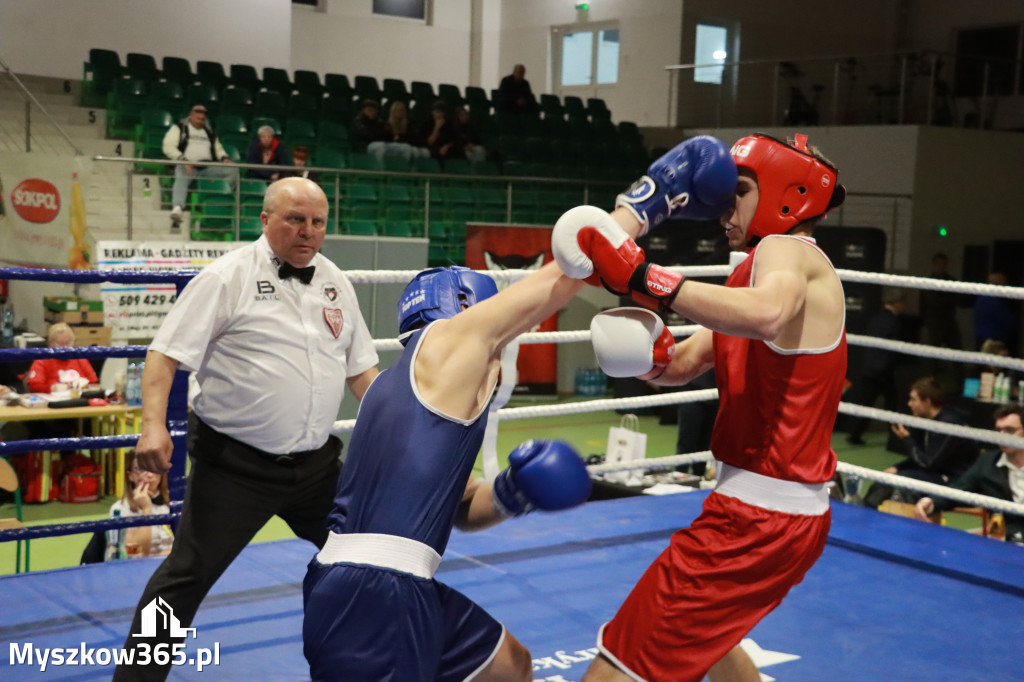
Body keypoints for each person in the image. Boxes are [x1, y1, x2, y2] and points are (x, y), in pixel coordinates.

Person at [303, 135, 737, 681]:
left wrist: (514, 491)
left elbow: (460, 508)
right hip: (373, 595)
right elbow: (561, 278)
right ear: (467, 309)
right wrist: (649, 201)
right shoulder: (447, 345)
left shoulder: (406, 390)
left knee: (509, 666)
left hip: (383, 582)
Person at [553, 132, 847, 681]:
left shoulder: (788, 254)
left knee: (618, 666)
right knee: (710, 642)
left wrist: (644, 275)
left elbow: (767, 315)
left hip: (757, 518)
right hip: (778, 513)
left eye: (739, 191)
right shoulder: (751, 271)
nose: (722, 206)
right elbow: (685, 364)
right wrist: (649, 357)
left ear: (787, 194)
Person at [113, 177, 379, 681]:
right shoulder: (226, 277)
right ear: (265, 219)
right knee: (184, 578)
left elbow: (362, 370)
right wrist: (152, 426)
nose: (307, 232)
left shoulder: (334, 281)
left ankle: (372, 664)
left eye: (317, 222)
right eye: (295, 219)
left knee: (370, 555)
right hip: (236, 467)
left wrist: (405, 423)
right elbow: (164, 355)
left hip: (316, 467)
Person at [862, 376, 979, 508]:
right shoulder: (930, 421)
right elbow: (924, 455)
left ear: (927, 402)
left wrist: (906, 438)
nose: (909, 404)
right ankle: (865, 510)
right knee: (890, 475)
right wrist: (897, 467)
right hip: (938, 473)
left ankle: (867, 512)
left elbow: (927, 464)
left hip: (956, 481)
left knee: (902, 480)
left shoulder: (948, 424)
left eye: (913, 399)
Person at [914, 404, 1024, 545]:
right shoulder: (987, 462)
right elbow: (960, 488)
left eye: (1009, 430)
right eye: (999, 430)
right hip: (1005, 544)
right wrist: (930, 503)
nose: (1002, 436)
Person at [844, 287, 914, 445]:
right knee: (891, 404)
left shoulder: (876, 318)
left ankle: (855, 434)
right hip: (884, 370)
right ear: (897, 303)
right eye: (903, 302)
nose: (905, 306)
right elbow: (894, 348)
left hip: (870, 368)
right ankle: (896, 438)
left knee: (866, 403)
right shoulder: (893, 322)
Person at [162, 103, 238, 228]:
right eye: (198, 116)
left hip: (207, 167)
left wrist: (224, 158)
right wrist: (183, 159)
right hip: (187, 164)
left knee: (233, 170)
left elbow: (218, 148)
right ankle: (177, 208)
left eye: (203, 117)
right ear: (191, 115)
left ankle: (221, 200)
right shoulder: (179, 128)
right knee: (181, 173)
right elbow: (168, 147)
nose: (201, 119)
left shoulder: (208, 131)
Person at [106, 449, 173, 560]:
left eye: (154, 468)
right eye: (142, 470)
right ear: (130, 475)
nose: (150, 475)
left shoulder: (171, 503)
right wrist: (147, 510)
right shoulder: (120, 509)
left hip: (172, 566)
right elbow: (137, 554)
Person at [25, 322, 98, 393]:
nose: (65, 347)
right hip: (52, 402)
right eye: (60, 344)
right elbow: (34, 386)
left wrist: (85, 386)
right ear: (51, 343)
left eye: (68, 343)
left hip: (78, 401)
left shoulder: (80, 358)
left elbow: (94, 383)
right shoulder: (42, 360)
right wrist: (51, 388)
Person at [973, 271, 1017, 352]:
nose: (1006, 285)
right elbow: (1006, 320)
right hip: (992, 341)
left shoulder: (986, 297)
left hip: (986, 338)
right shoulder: (990, 299)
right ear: (997, 284)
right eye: (1004, 282)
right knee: (991, 363)